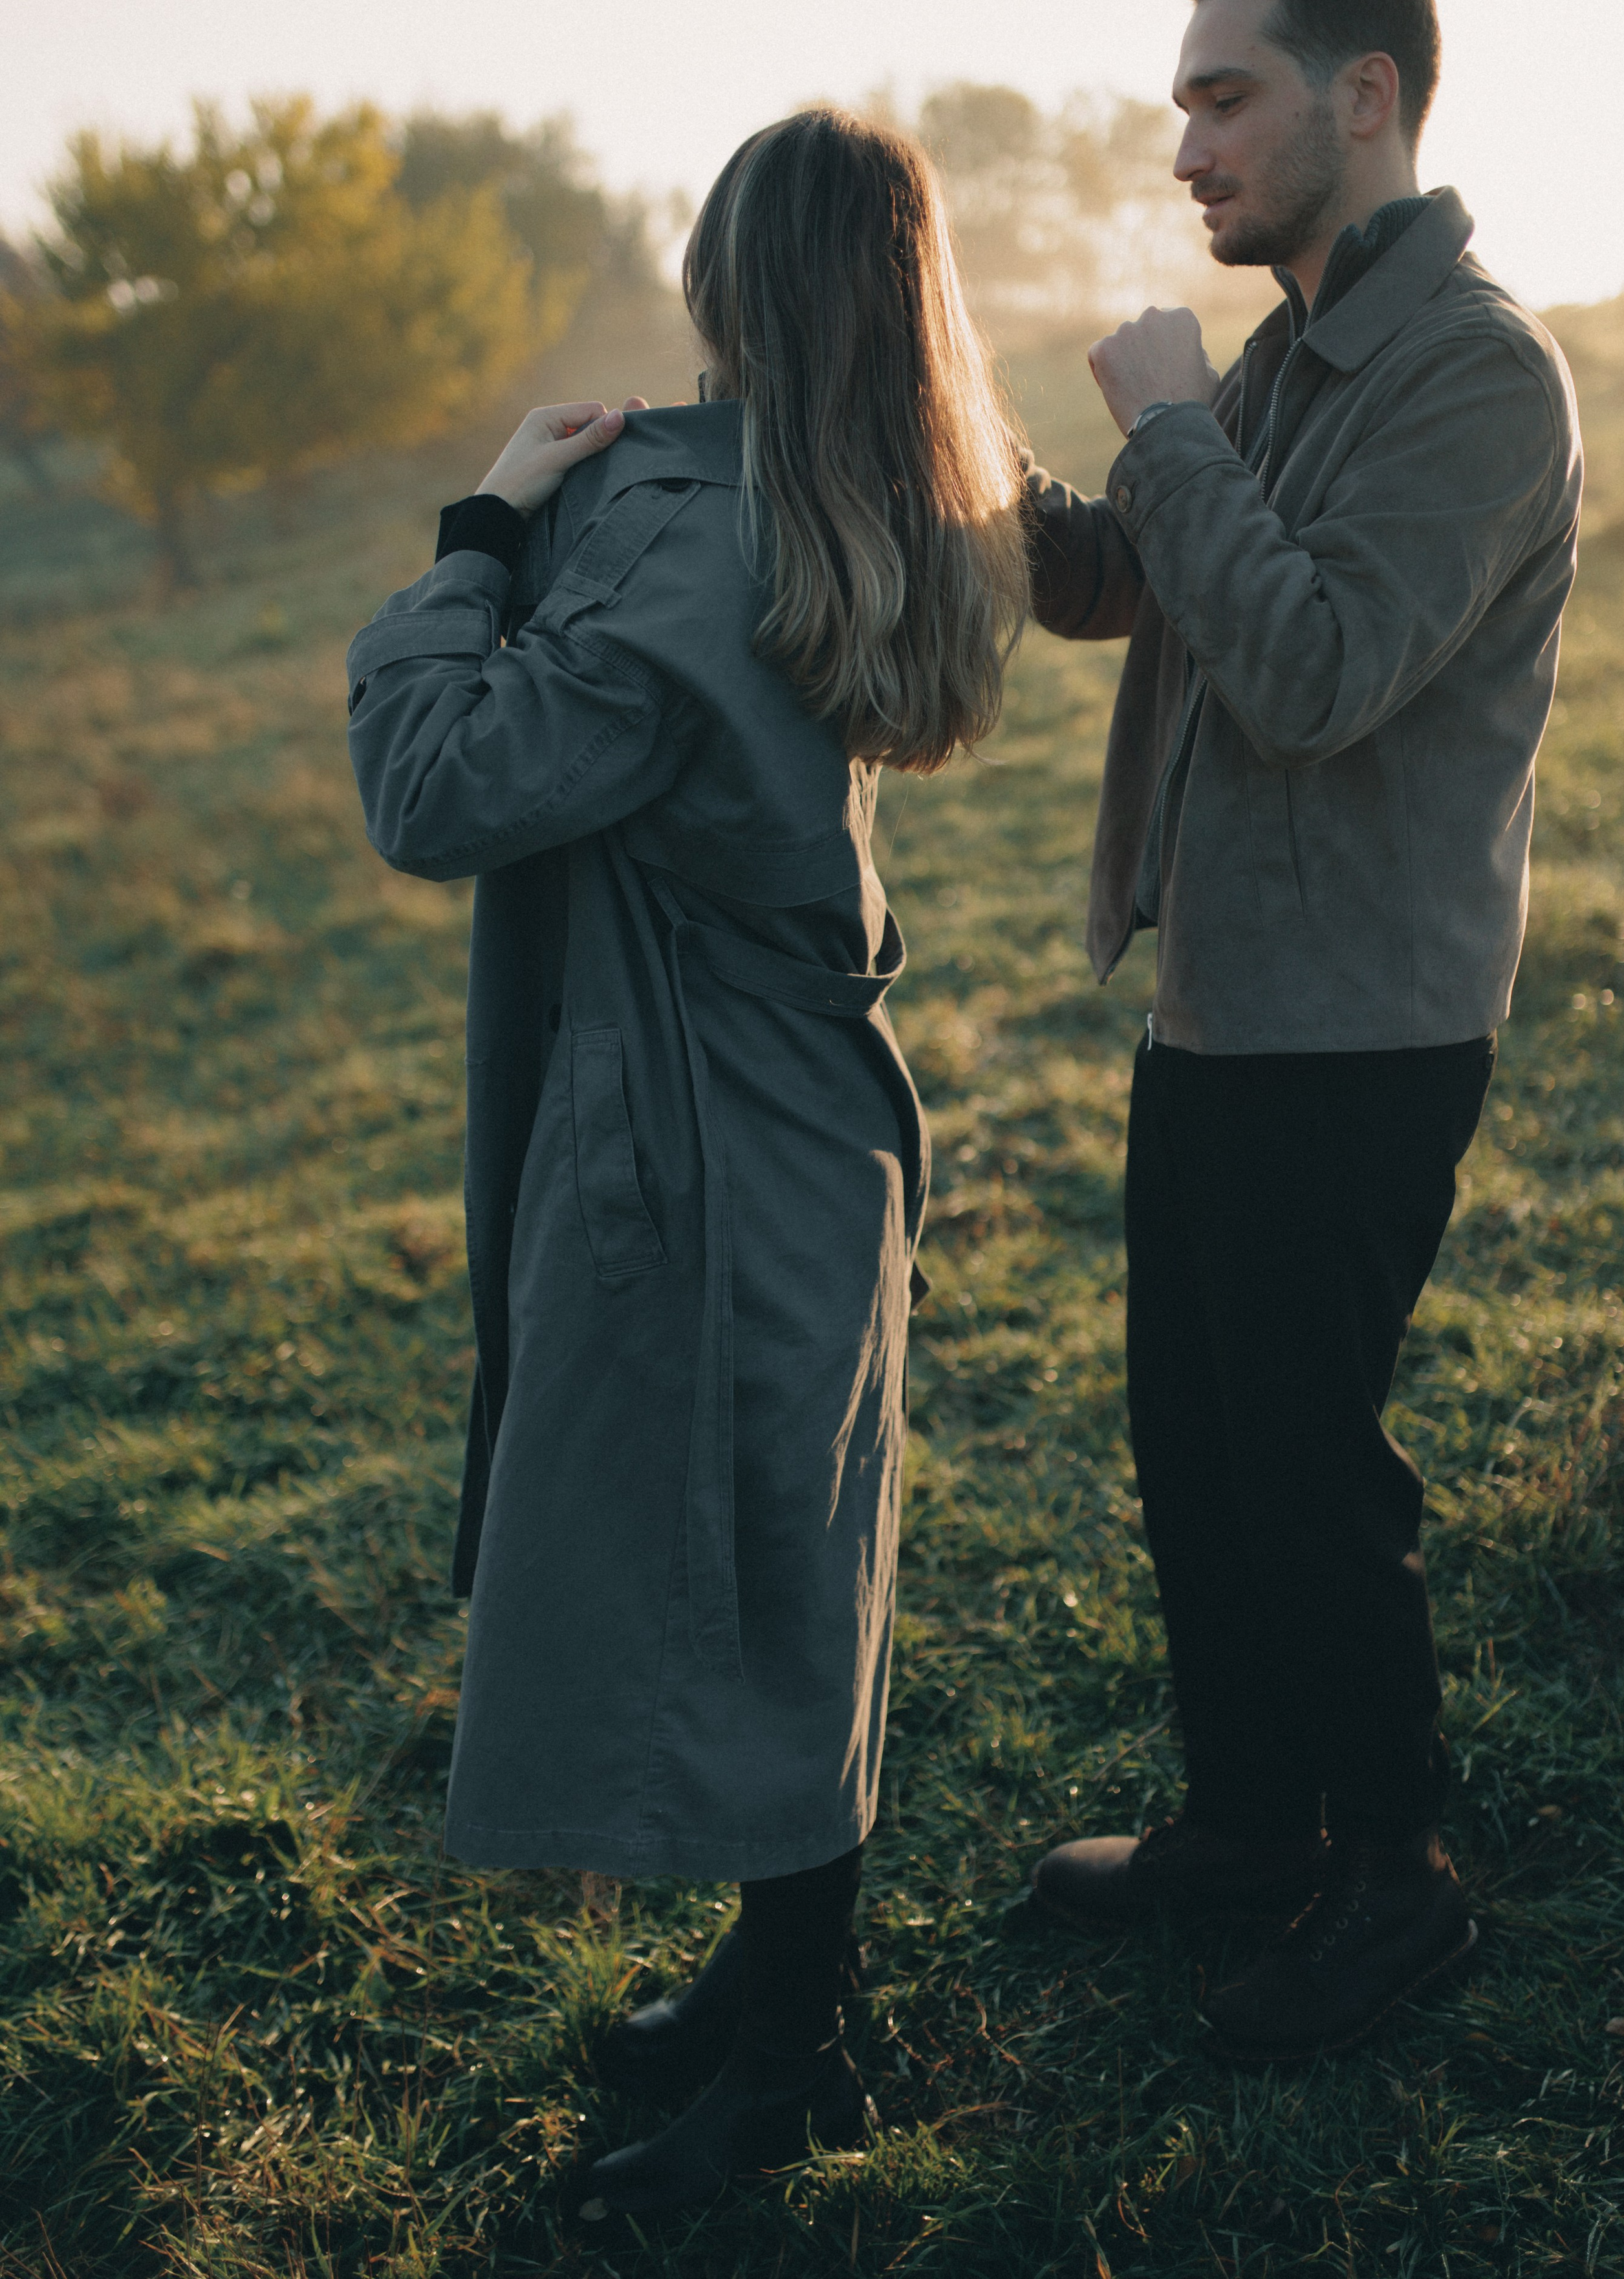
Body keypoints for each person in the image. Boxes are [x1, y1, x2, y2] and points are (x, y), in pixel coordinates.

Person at [345, 109, 1029, 2211]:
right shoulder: (916, 498)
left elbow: (443, 785)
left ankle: (785, 2077)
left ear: (726, 284)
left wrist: (478, 533)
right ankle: (772, 1993)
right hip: (823, 1111)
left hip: (697, 1134)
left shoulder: (678, 533)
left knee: (744, 1580)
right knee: (797, 1565)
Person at [1023, 0, 1581, 2062]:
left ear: (1366, 96)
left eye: (1222, 96)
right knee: (1199, 1443)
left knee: (1309, 1468)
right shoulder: (1282, 353)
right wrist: (963, 459)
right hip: (1226, 1002)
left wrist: (1170, 424)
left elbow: (1321, 671)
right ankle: (1247, 1832)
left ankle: (1394, 1883)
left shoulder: (1474, 374)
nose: (1186, 150)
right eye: (1182, 103)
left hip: (1365, 1024)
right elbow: (1128, 582)